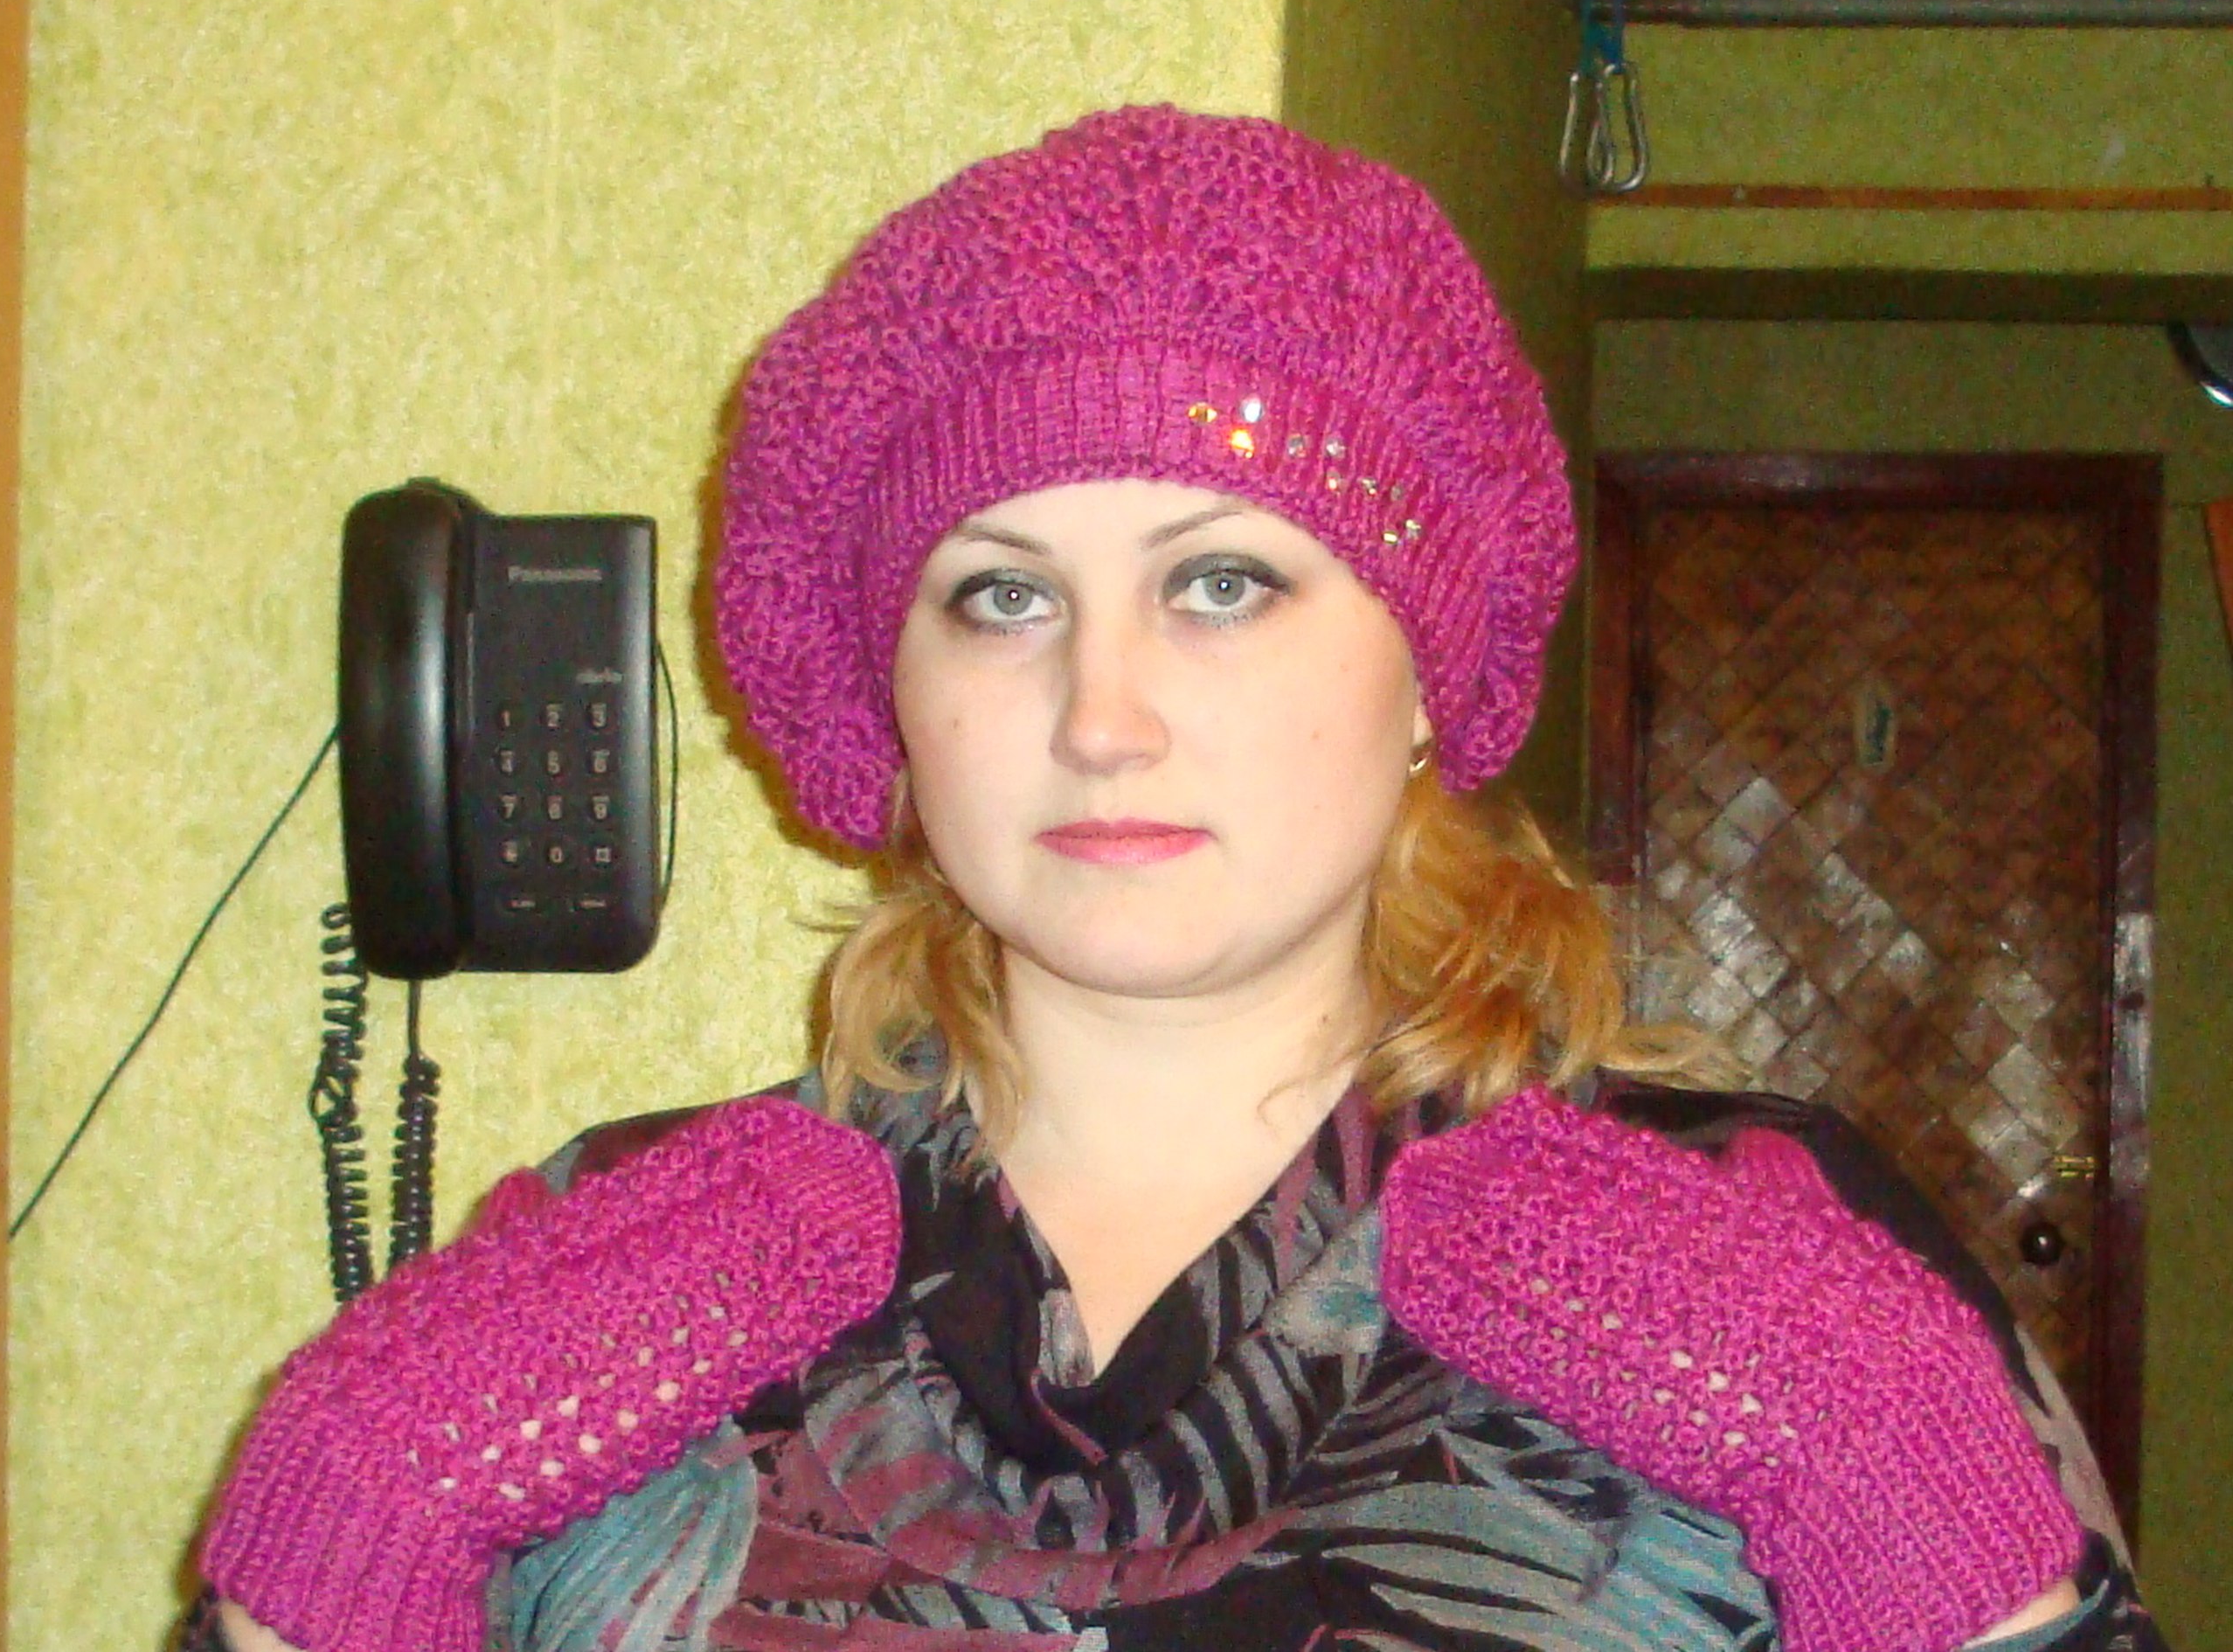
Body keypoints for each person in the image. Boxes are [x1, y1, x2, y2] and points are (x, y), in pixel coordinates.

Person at [190, 106, 2160, 1652]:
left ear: (1422, 669)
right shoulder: (590, 1260)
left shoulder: (1782, 1242)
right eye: (1001, 597)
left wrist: (1921, 1504)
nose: (1101, 714)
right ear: (895, 696)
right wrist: (342, 1526)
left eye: (1221, 583)